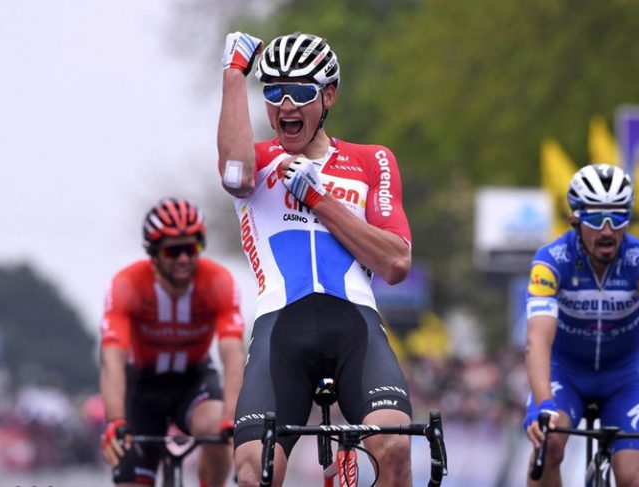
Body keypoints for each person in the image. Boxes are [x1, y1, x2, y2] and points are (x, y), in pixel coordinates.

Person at [217, 32, 414, 486]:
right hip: (280, 332)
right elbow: (232, 171)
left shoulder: (371, 161)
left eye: (301, 92)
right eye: (273, 92)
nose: (285, 105)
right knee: (253, 471)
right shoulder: (258, 161)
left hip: (355, 329)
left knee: (396, 448)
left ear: (328, 96)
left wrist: (319, 198)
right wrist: (233, 74)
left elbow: (396, 263)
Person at [523, 164, 639, 486]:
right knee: (548, 443)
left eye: (617, 217)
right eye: (595, 217)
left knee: (635, 478)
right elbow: (537, 341)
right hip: (566, 374)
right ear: (575, 219)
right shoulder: (550, 261)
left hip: (624, 379)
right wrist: (543, 404)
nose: (606, 230)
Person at [99, 197, 245, 487]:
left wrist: (232, 416)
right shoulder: (127, 285)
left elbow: (233, 353)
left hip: (193, 379)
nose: (183, 259)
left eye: (191, 248)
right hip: (141, 385)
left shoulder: (217, 282)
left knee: (218, 430)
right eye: (173, 250)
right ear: (153, 252)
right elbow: (111, 359)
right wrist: (115, 420)